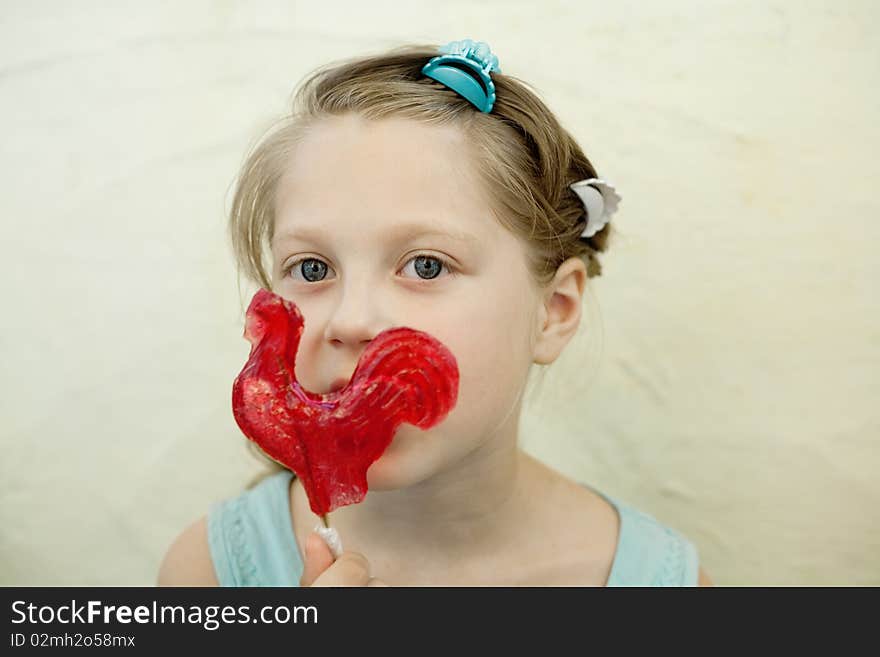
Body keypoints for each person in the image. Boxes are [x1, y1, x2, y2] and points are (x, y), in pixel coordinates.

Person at [158, 39, 712, 587]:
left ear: (555, 311)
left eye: (425, 266)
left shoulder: (659, 583)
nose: (350, 322)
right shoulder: (206, 574)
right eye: (311, 269)